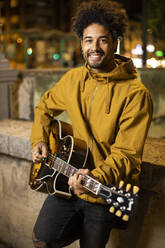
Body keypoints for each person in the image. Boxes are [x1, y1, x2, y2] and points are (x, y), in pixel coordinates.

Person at [30, 1, 153, 247]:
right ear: (81, 43)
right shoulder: (73, 79)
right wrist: (40, 140)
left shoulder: (136, 94)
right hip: (67, 179)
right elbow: (44, 107)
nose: (94, 47)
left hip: (104, 190)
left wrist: (95, 176)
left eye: (102, 40)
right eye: (88, 40)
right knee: (41, 239)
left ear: (115, 41)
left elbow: (128, 154)